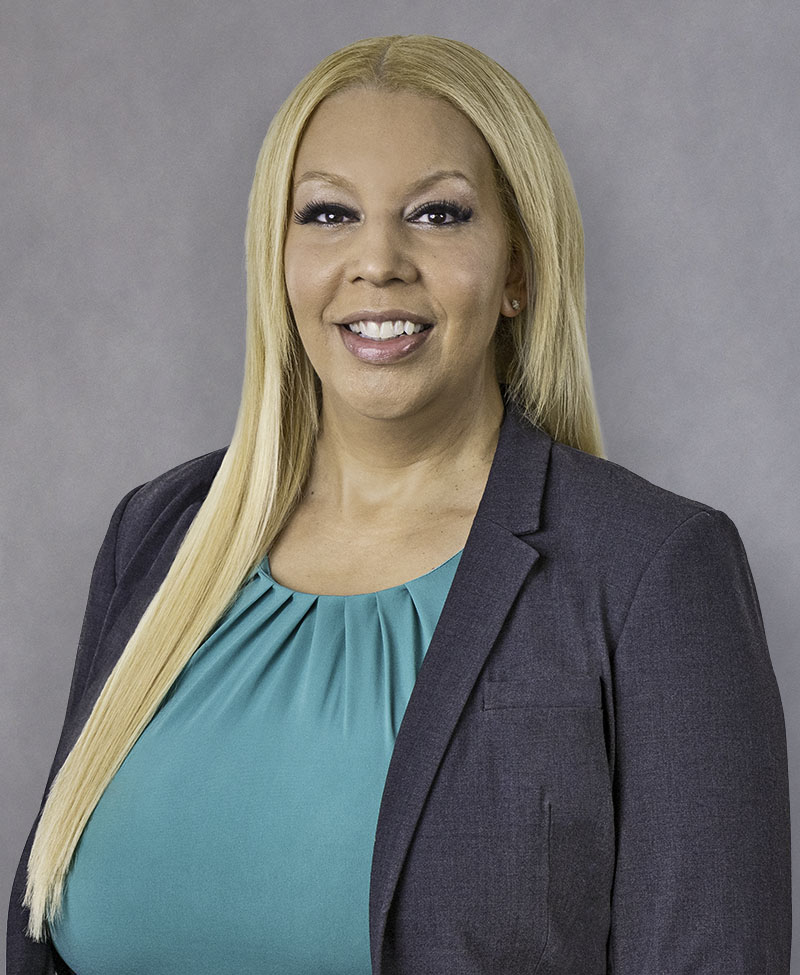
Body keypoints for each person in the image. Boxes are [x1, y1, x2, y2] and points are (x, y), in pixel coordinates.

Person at [7, 33, 791, 975]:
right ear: (277, 258)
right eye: (329, 213)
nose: (377, 260)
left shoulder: (652, 570)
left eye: (439, 213)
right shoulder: (158, 534)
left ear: (517, 271)